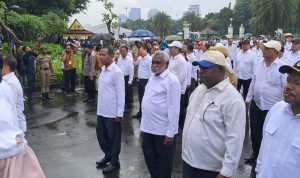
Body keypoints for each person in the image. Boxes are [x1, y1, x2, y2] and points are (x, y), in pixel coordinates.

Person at [182, 51, 246, 178]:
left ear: (221, 70)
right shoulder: (200, 89)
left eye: (206, 68)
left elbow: (235, 138)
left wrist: (226, 172)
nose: (201, 71)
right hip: (188, 162)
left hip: (211, 170)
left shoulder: (233, 99)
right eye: (200, 67)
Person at [244, 40, 287, 164]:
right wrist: (248, 98)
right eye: (264, 48)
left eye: (267, 48)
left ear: (275, 52)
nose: (264, 50)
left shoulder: (282, 67)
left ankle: (267, 157)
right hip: (257, 104)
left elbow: (285, 88)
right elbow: (254, 82)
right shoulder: (259, 63)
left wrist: (285, 107)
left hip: (273, 108)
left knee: (270, 133)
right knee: (255, 130)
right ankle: (255, 153)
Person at [255, 60, 300, 178]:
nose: (288, 86)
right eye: (288, 80)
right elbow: (263, 150)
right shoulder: (276, 109)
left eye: (297, 83)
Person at [140, 51, 181, 178]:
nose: (154, 65)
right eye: (153, 62)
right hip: (147, 128)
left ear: (167, 64)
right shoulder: (152, 77)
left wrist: (170, 133)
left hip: (162, 131)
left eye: (158, 62)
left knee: (163, 164)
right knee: (150, 160)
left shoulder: (172, 81)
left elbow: (174, 109)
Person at [96, 47, 125, 174]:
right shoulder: (103, 69)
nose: (101, 57)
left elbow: (121, 94)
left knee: (113, 139)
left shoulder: (116, 72)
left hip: (112, 113)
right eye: (100, 55)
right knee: (101, 136)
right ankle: (108, 155)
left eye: (103, 55)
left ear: (112, 56)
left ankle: (114, 162)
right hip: (101, 111)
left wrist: (119, 113)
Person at [1, 56, 27, 133]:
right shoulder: (8, 81)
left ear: (6, 68)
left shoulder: (10, 83)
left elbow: (10, 107)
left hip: (15, 127)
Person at [168, 41, 187, 131]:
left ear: (177, 49)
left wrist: (174, 86)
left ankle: (180, 126)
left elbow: (182, 77)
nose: (170, 49)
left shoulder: (181, 60)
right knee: (172, 107)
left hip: (178, 89)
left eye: (171, 48)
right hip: (171, 87)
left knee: (179, 108)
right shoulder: (172, 58)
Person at [132, 44, 152, 119]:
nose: (140, 53)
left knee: (145, 98)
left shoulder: (149, 59)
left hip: (146, 81)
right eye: (139, 51)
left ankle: (145, 114)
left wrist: (150, 84)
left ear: (145, 50)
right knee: (140, 97)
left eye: (141, 51)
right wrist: (137, 55)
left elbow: (151, 73)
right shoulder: (140, 58)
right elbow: (133, 63)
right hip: (140, 80)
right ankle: (140, 112)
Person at [117, 45, 134, 112]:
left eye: (123, 51)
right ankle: (125, 105)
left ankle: (129, 106)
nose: (122, 52)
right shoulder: (119, 59)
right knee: (122, 92)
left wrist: (130, 80)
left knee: (128, 93)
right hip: (121, 77)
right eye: (121, 51)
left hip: (127, 77)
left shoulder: (130, 59)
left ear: (127, 51)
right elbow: (118, 68)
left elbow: (131, 70)